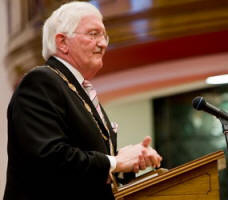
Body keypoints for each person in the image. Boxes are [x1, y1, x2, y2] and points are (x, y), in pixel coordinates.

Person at [4, 1, 162, 200]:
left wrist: (127, 161)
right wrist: (115, 162)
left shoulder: (76, 89)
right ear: (62, 42)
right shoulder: (41, 82)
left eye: (104, 35)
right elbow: (49, 159)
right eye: (93, 34)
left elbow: (81, 164)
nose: (103, 44)